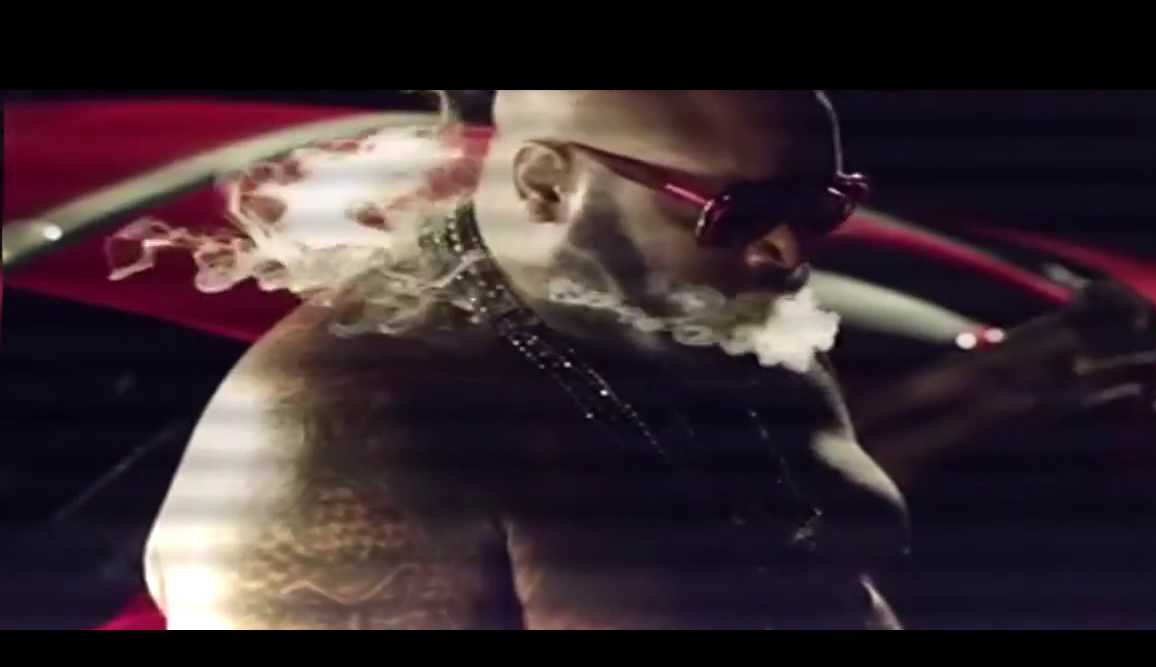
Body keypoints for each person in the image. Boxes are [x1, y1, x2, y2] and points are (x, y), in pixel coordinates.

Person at [141, 90, 910, 629]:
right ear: (545, 185)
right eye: (737, 212)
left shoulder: (698, 309)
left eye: (822, 204)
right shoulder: (340, 431)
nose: (789, 249)